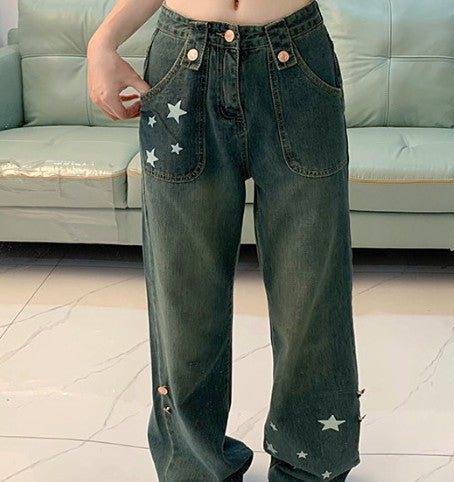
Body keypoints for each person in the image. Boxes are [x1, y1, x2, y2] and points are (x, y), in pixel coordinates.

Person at [87, 0, 363, 480]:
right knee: (183, 298)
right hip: (183, 67)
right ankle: (193, 468)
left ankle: (311, 467)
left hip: (296, 59)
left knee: (312, 298)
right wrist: (102, 41)